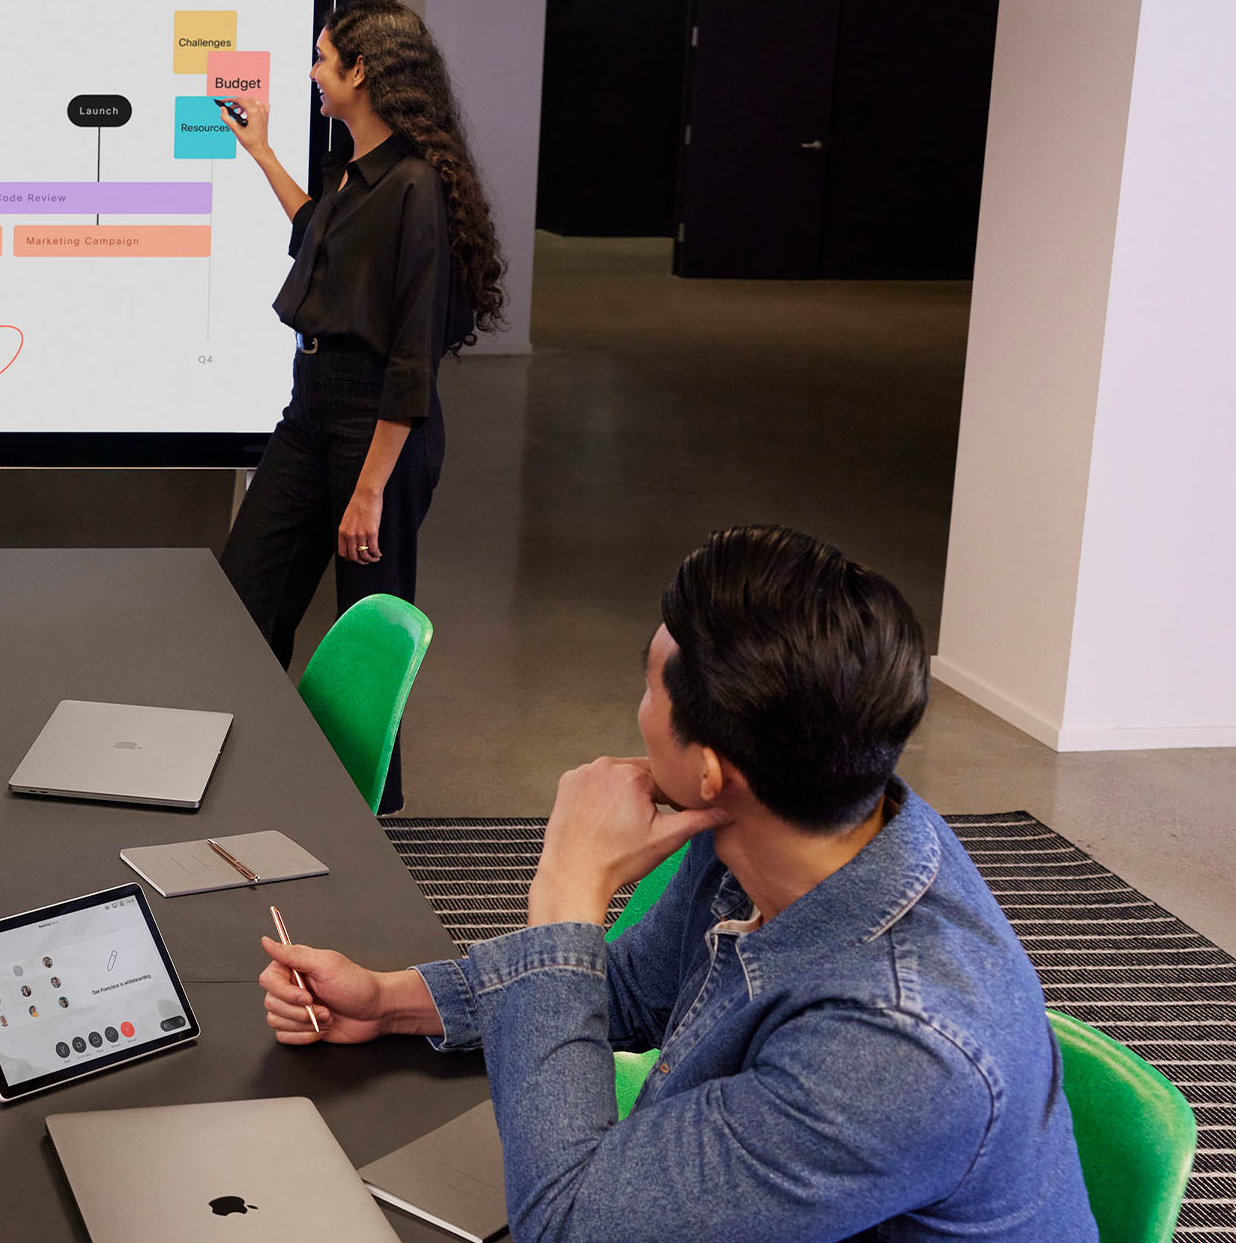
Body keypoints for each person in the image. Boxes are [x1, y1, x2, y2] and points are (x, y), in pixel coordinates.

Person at [256, 526, 1096, 1242]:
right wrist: (389, 998)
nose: (636, 708)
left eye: (649, 682)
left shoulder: (899, 1052)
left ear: (708, 771)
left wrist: (564, 896)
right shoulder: (803, 819)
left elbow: (570, 1225)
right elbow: (637, 986)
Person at [216, 0, 507, 812]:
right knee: (245, 598)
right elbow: (320, 238)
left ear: (361, 72)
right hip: (311, 415)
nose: (312, 74)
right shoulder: (356, 174)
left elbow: (412, 356)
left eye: (322, 59)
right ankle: (237, 775)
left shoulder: (415, 187)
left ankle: (369, 816)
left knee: (365, 631)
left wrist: (371, 487)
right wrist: (264, 154)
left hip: (377, 431)